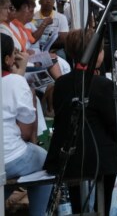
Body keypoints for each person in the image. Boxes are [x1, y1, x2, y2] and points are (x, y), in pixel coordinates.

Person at [45, 29, 117, 214]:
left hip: (64, 156)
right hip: (95, 158)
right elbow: (115, 125)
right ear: (96, 53)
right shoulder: (103, 85)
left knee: (80, 154)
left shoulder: (61, 83)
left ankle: (80, 207)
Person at [2, 33, 53, 214]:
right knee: (47, 161)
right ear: (9, 59)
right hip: (10, 158)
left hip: (7, 160)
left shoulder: (13, 80)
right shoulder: (15, 81)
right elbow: (25, 132)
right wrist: (20, 72)